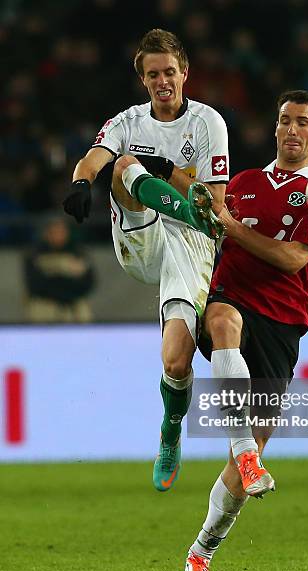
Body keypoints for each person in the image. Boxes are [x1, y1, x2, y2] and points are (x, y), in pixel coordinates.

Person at [62, 29, 230, 491]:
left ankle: (170, 432)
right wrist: (80, 184)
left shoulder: (208, 123)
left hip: (190, 243)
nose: (163, 81)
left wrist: (166, 171)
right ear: (143, 79)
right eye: (153, 74)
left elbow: (213, 203)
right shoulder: (129, 122)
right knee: (123, 165)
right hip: (141, 238)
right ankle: (146, 188)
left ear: (185, 74)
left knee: (176, 362)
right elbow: (95, 157)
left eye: (170, 72)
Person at [181, 90, 308, 571]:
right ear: (275, 129)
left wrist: (229, 225)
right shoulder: (244, 182)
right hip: (231, 296)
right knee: (222, 320)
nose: (292, 130)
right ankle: (245, 450)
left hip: (282, 319)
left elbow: (293, 259)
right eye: (285, 121)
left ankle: (200, 552)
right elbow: (209, 221)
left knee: (252, 451)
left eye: (303, 123)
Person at [24, 216, 95, 323]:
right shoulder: (34, 254)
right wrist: (65, 280)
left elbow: (88, 282)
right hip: (45, 306)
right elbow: (35, 284)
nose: (59, 235)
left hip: (73, 306)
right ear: (46, 233)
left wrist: (56, 279)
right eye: (54, 232)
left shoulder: (78, 253)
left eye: (62, 231)